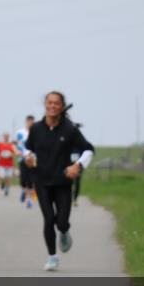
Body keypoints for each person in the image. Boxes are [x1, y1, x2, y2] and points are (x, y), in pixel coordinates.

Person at [24, 92, 94, 271]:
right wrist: (28, 157)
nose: (52, 106)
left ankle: (64, 231)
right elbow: (26, 149)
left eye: (56, 103)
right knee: (48, 219)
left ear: (62, 107)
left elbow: (88, 150)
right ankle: (52, 257)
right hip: (42, 181)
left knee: (61, 222)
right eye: (49, 103)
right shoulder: (36, 128)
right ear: (45, 105)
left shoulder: (69, 129)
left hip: (63, 182)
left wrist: (77, 165)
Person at [15, 114, 36, 209]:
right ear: (26, 122)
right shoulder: (20, 132)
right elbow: (17, 145)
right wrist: (20, 152)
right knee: (23, 180)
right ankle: (24, 190)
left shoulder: (36, 132)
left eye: (32, 121)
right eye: (28, 121)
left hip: (32, 159)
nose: (30, 123)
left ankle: (29, 200)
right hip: (23, 158)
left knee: (31, 180)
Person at [0, 132, 16, 196]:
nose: (6, 137)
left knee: (8, 178)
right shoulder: (0, 144)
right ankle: (2, 182)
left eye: (7, 136)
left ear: (8, 137)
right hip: (1, 164)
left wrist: (11, 154)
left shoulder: (11, 145)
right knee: (2, 176)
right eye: (5, 136)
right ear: (3, 137)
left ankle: (7, 190)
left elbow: (15, 153)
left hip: (9, 164)